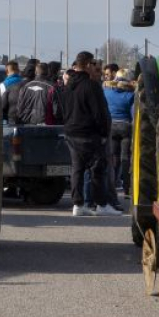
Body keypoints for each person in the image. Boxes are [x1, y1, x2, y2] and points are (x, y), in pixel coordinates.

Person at [60, 51, 120, 217]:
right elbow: (100, 112)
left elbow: (63, 110)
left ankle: (78, 205)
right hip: (89, 133)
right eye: (93, 63)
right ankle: (101, 204)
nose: (95, 67)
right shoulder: (91, 85)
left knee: (77, 168)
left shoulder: (68, 85)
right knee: (97, 168)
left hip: (71, 132)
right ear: (87, 65)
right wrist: (103, 133)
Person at [104, 68, 135, 196]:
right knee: (125, 158)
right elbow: (133, 114)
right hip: (126, 126)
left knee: (113, 157)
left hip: (111, 126)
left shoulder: (106, 91)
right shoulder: (130, 95)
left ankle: (111, 186)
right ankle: (127, 189)